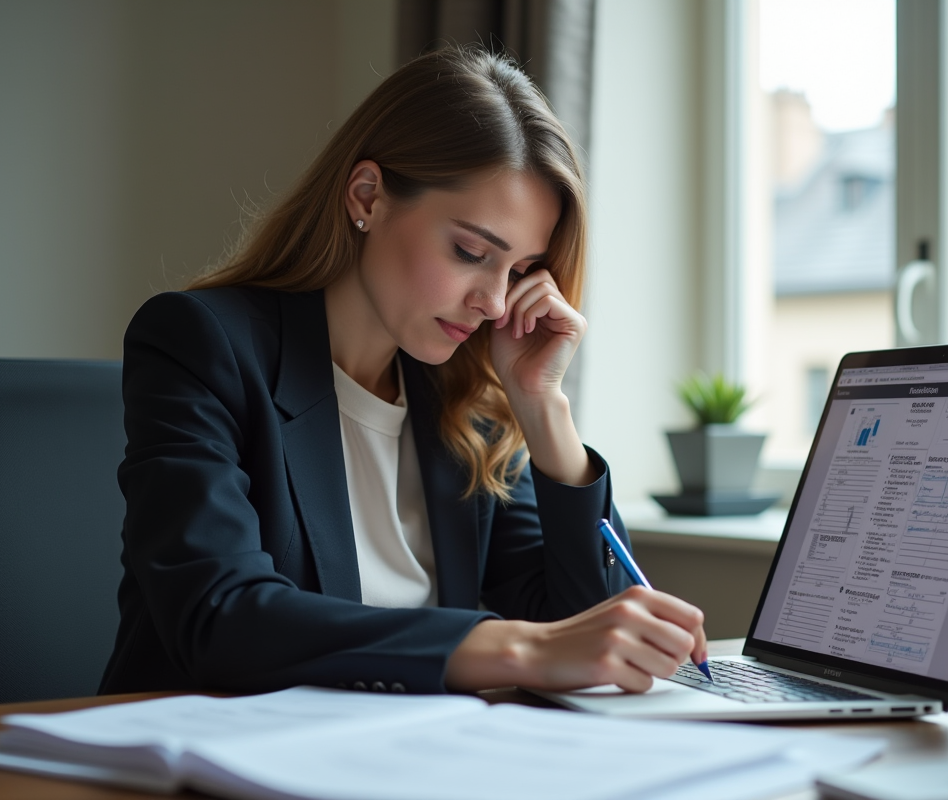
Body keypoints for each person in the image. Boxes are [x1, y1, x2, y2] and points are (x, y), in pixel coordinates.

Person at [99, 46, 707, 697]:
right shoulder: (204, 343)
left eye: (522, 270)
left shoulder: (467, 398)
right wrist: (515, 646)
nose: (497, 303)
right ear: (368, 196)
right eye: (472, 251)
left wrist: (544, 409)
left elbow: (577, 631)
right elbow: (219, 617)